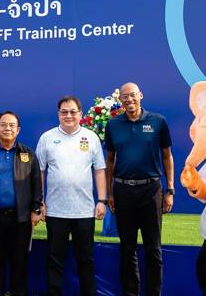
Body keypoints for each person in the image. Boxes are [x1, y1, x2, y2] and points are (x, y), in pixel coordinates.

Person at [105, 82, 174, 296]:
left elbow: (167, 156)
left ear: (140, 95)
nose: (129, 100)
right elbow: (109, 161)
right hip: (123, 191)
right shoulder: (113, 125)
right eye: (124, 97)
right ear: (120, 99)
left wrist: (169, 189)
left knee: (154, 249)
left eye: (133, 95)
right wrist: (109, 193)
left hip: (151, 190)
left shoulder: (158, 121)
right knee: (127, 248)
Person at [35, 95, 107, 296]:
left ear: (80, 114)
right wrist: (40, 201)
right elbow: (40, 172)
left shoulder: (91, 137)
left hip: (84, 212)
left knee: (86, 260)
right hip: (56, 211)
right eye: (64, 112)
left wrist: (101, 200)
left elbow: (100, 170)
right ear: (59, 114)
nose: (68, 115)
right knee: (54, 260)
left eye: (72, 112)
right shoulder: (47, 138)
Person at [0, 111, 44, 296]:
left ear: (18, 130)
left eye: (12, 125)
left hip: (20, 219)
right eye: (3, 124)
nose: (7, 128)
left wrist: (37, 207)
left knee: (19, 263)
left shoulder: (27, 154)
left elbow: (36, 182)